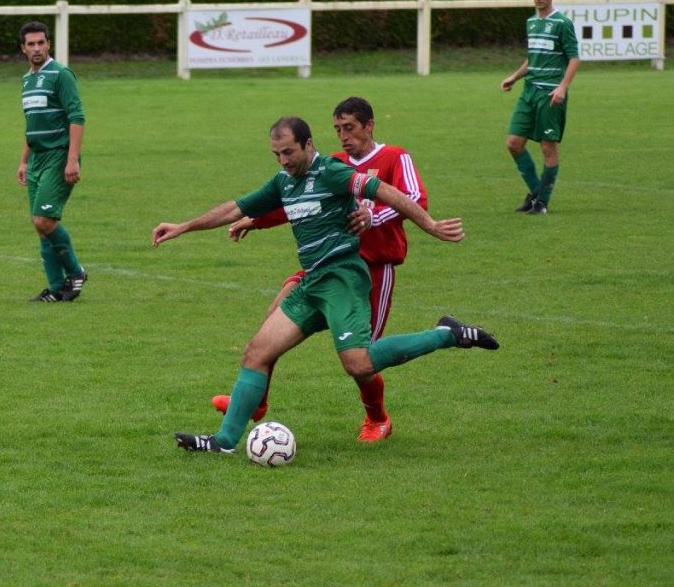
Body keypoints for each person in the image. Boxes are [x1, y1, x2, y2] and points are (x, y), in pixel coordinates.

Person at [152, 117, 498, 455]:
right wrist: (183, 226)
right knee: (257, 352)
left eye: (289, 152)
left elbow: (386, 191)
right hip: (313, 281)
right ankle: (224, 442)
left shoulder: (331, 172)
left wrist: (430, 225)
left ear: (308, 144)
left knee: (359, 364)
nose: (283, 161)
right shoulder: (283, 182)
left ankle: (447, 334)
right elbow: (234, 208)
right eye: (277, 155)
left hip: (343, 277)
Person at [214, 97, 428, 442]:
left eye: (350, 128)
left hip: (370, 266)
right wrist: (253, 220)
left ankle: (378, 418)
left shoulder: (393, 157)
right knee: (270, 328)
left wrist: (373, 217)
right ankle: (254, 402)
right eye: (337, 129)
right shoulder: (333, 163)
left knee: (362, 360)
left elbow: (416, 200)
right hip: (321, 267)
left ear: (369, 126)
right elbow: (297, 204)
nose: (343, 136)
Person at [17, 21, 88, 302]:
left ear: (49, 44)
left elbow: (77, 117)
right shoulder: (27, 80)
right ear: (23, 49)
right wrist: (23, 161)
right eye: (31, 44)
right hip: (36, 159)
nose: (36, 48)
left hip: (58, 156)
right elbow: (31, 124)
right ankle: (57, 288)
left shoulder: (61, 75)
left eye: (41, 43)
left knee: (44, 220)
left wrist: (72, 160)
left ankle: (76, 272)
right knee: (39, 225)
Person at [501, 0, 580, 215]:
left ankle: (542, 203)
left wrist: (562, 87)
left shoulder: (562, 23)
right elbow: (533, 58)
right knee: (513, 143)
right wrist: (514, 77)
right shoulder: (531, 22)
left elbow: (574, 58)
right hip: (529, 92)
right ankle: (537, 193)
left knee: (548, 147)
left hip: (550, 95)